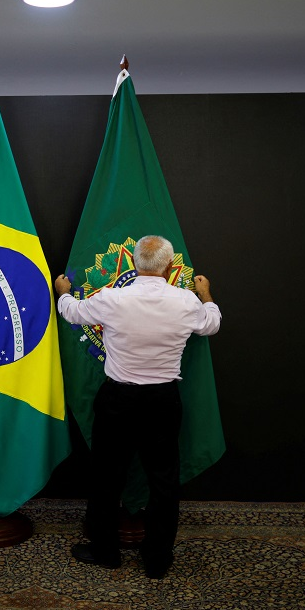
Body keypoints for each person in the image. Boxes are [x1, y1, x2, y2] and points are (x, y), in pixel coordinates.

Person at [54, 234, 221, 579]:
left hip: (119, 400)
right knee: (163, 482)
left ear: (132, 263)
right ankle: (157, 560)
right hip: (162, 402)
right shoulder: (187, 302)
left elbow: (71, 313)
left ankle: (105, 552)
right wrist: (206, 295)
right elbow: (211, 324)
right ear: (171, 267)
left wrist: (62, 291)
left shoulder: (113, 298)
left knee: (106, 477)